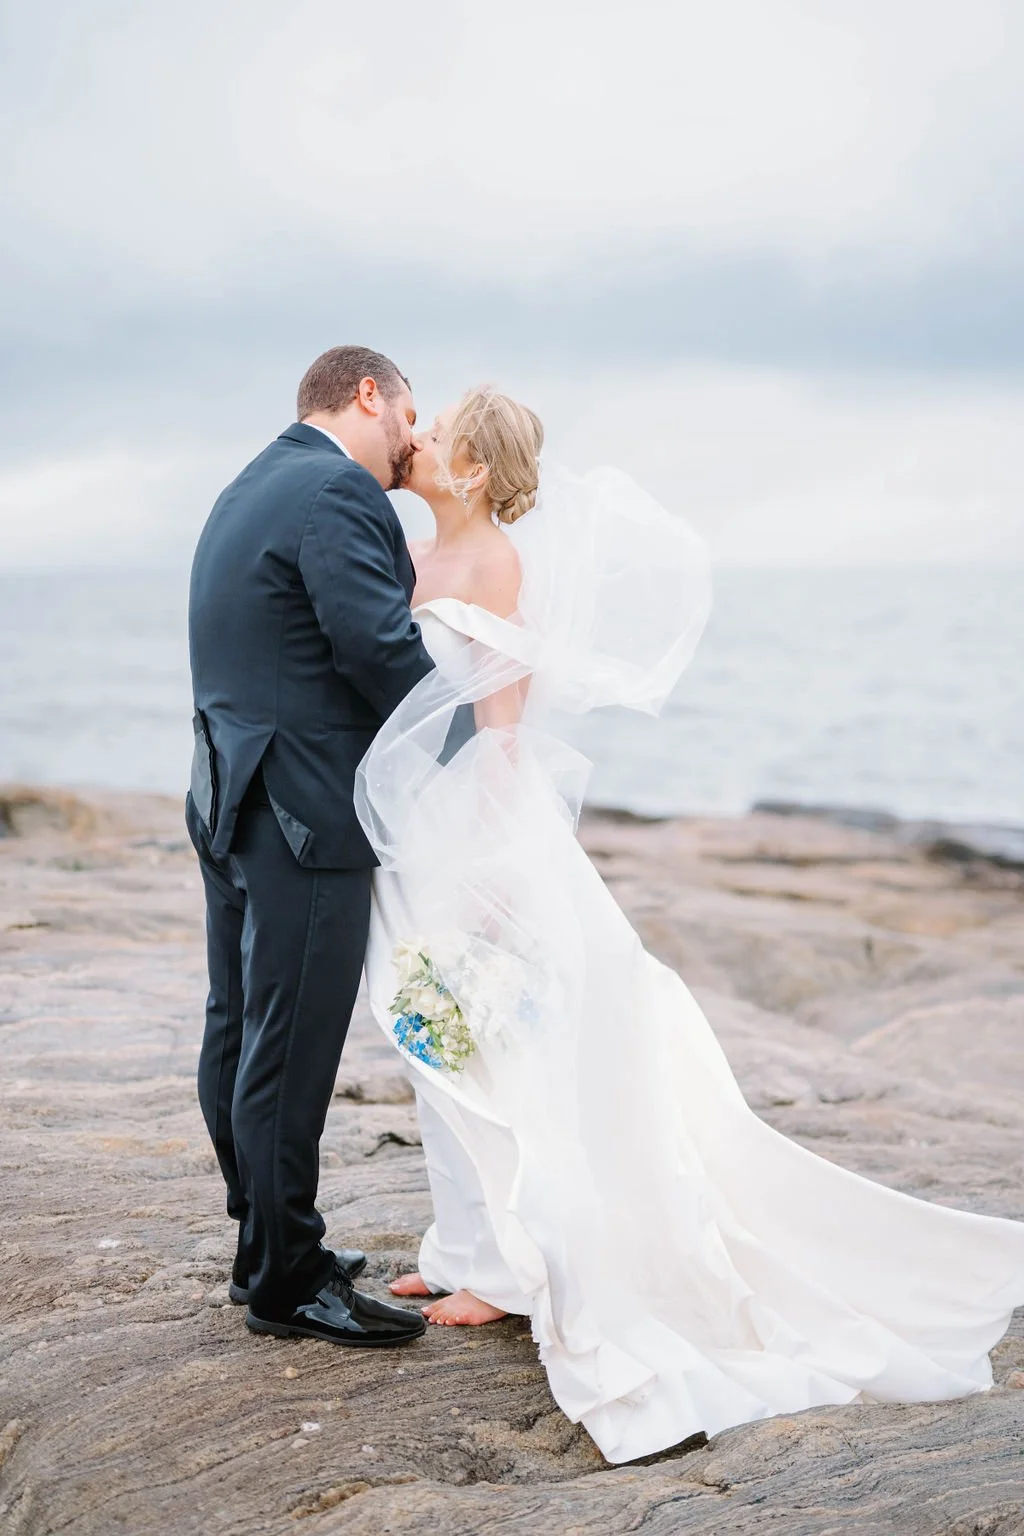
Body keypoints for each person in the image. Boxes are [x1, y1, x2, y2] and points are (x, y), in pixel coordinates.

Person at [356, 386, 1024, 1463]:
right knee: (436, 1044)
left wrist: (493, 871)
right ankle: (464, 1242)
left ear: (472, 469)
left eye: (433, 435)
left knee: (486, 1042)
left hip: (481, 839)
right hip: (422, 833)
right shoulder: (418, 555)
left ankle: (504, 1268)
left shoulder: (491, 566)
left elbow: (503, 733)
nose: (414, 439)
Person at [186, 345, 433, 1347]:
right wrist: (463, 744)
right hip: (303, 814)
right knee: (285, 1049)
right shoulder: (334, 491)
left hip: (229, 796)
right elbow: (376, 645)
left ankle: (267, 1248)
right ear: (367, 394)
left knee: (241, 1030)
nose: (412, 439)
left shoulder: (252, 482)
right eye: (408, 414)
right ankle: (289, 1281)